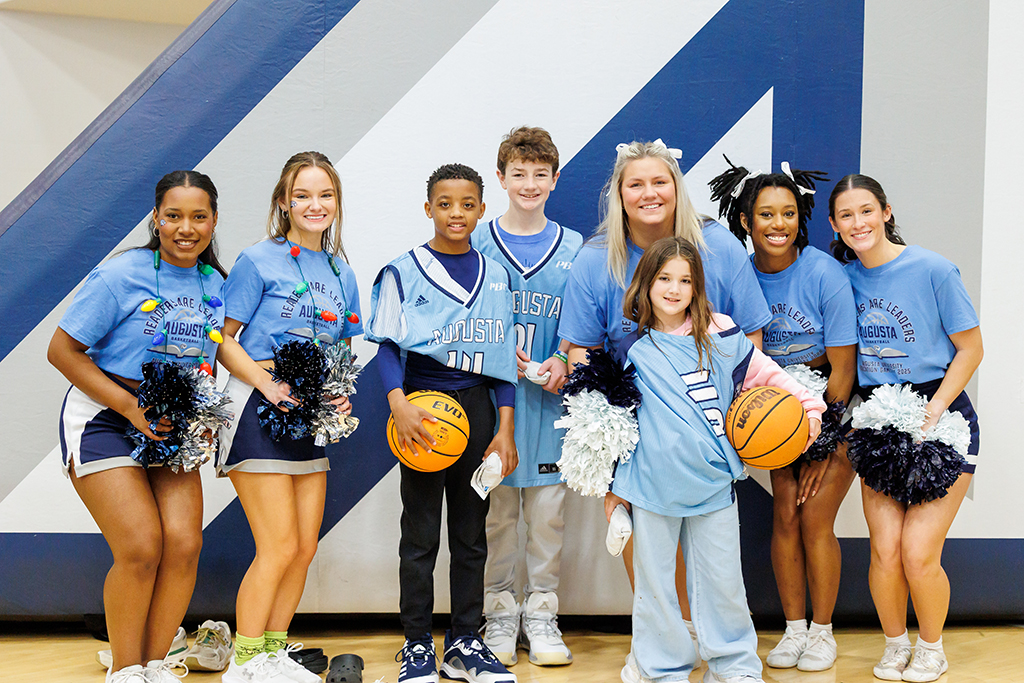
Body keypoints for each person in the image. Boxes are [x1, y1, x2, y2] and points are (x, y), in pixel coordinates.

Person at [558, 139, 771, 654]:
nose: (649, 193)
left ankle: (722, 645)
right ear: (619, 193)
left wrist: (734, 420)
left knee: (713, 549)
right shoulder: (594, 259)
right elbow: (581, 352)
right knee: (647, 544)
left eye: (660, 182)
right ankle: (669, 645)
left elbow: (750, 342)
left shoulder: (717, 246)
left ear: (677, 186)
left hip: (703, 421)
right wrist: (608, 440)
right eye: (636, 184)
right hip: (636, 423)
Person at [604, 236, 824, 683]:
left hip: (712, 483)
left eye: (685, 280)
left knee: (723, 582)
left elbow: (771, 377)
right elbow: (617, 429)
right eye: (664, 278)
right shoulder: (629, 350)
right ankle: (660, 668)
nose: (674, 288)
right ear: (645, 283)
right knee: (656, 587)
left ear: (697, 287)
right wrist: (615, 494)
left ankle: (735, 667)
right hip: (650, 487)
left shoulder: (722, 335)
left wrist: (810, 411)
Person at [48, 170, 227, 683]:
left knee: (184, 543)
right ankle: (125, 671)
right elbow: (62, 351)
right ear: (156, 218)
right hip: (105, 413)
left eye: (198, 217)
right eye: (173, 216)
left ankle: (154, 665)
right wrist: (129, 408)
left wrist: (207, 418)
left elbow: (208, 362)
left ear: (213, 221)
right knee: (141, 545)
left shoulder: (217, 285)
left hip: (172, 423)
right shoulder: (121, 273)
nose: (185, 228)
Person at [365, 163, 518, 683]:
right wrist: (398, 404)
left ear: (480, 208)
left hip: (477, 411)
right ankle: (415, 644)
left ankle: (465, 642)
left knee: (473, 534)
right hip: (422, 412)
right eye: (445, 204)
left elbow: (501, 362)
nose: (457, 213)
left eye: (468, 203)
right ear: (428, 208)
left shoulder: (496, 274)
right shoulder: (402, 270)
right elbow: (387, 347)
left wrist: (506, 428)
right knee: (421, 533)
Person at [829, 175, 982, 683]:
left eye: (867, 211)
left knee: (919, 553)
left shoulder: (933, 268)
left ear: (887, 212)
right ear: (834, 224)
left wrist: (935, 409)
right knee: (885, 549)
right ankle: (897, 645)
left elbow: (971, 348)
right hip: (876, 422)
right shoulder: (841, 278)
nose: (859, 223)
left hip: (940, 417)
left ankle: (932, 648)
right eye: (846, 216)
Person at [216, 151, 362, 683]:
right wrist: (268, 385)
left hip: (309, 416)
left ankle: (272, 655)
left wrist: (340, 393)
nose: (314, 204)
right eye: (302, 194)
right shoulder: (258, 260)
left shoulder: (341, 270)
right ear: (284, 201)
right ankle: (245, 661)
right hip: (258, 407)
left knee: (302, 548)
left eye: (325, 194)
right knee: (276, 545)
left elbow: (343, 347)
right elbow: (224, 341)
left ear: (336, 202)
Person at [709, 160, 856, 672]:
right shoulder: (738, 274)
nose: (778, 224)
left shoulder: (824, 272)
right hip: (773, 408)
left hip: (832, 407)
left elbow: (843, 368)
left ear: (801, 217)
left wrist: (821, 441)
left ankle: (823, 632)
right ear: (745, 220)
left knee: (814, 514)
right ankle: (793, 631)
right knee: (785, 513)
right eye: (766, 214)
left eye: (788, 213)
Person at [473, 127, 582, 667]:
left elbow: (585, 325)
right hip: (489, 408)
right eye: (519, 174)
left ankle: (540, 615)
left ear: (555, 180)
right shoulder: (475, 242)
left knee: (546, 517)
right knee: (495, 516)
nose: (529, 183)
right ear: (501, 178)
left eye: (540, 174)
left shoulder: (575, 247)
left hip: (548, 404)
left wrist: (560, 359)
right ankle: (497, 615)